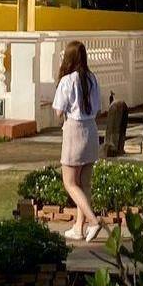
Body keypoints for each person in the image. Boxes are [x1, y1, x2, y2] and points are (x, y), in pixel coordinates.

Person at [52, 40, 105, 242]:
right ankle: (78, 227)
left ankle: (93, 221)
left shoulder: (67, 81)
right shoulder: (92, 79)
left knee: (70, 183)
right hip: (91, 129)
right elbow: (98, 108)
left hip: (74, 129)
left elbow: (58, 112)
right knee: (85, 184)